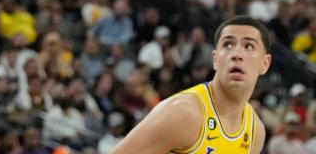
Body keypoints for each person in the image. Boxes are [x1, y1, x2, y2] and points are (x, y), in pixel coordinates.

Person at [109, 16, 270, 154]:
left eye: (249, 46)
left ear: (265, 63)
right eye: (228, 45)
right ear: (215, 59)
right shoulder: (184, 112)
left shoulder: (255, 132)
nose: (236, 54)